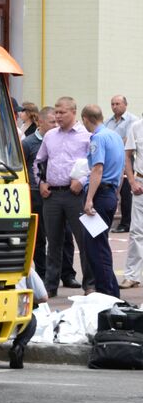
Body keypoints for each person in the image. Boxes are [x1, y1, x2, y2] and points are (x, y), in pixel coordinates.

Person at [36, 96, 93, 296]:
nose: (57, 116)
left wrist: (83, 181)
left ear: (73, 112)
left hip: (75, 195)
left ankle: (90, 285)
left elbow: (94, 165)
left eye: (62, 113)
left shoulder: (86, 136)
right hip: (52, 195)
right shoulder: (50, 136)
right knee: (53, 242)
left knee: (84, 240)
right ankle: (51, 286)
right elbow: (38, 162)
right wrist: (40, 182)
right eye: (56, 113)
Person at [82, 103, 124, 298]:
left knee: (96, 248)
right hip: (110, 192)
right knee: (101, 245)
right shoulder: (114, 136)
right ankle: (110, 291)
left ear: (85, 119)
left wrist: (89, 199)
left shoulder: (97, 138)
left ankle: (107, 293)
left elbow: (97, 169)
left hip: (99, 195)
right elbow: (121, 166)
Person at [23, 104, 50, 274]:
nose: (56, 125)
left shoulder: (56, 140)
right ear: (40, 122)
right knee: (39, 237)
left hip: (54, 192)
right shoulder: (28, 143)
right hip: (34, 192)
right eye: (52, 121)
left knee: (61, 236)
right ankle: (42, 273)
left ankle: (67, 273)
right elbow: (24, 166)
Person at [106, 95, 136, 232]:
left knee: (125, 193)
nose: (114, 106)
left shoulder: (132, 121)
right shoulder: (108, 122)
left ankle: (126, 223)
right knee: (111, 191)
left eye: (118, 103)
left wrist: (112, 145)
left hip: (126, 159)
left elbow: (128, 139)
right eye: (112, 104)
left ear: (125, 104)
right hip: (110, 160)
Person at [123, 113, 143, 288]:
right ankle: (132, 275)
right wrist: (131, 181)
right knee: (136, 231)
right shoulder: (137, 126)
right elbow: (127, 155)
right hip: (141, 184)